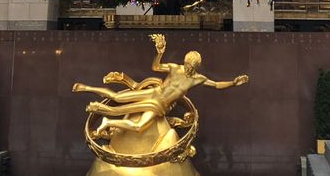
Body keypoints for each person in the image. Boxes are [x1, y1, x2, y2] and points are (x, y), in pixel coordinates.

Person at [74, 34, 248, 139]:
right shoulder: (175, 68)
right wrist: (160, 53)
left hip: (160, 106)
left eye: (191, 67)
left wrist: (233, 83)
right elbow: (156, 67)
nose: (188, 68)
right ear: (185, 61)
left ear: (196, 66)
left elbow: (216, 85)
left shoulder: (197, 79)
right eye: (187, 64)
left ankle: (108, 121)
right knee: (117, 97)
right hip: (153, 93)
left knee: (139, 126)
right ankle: (86, 88)